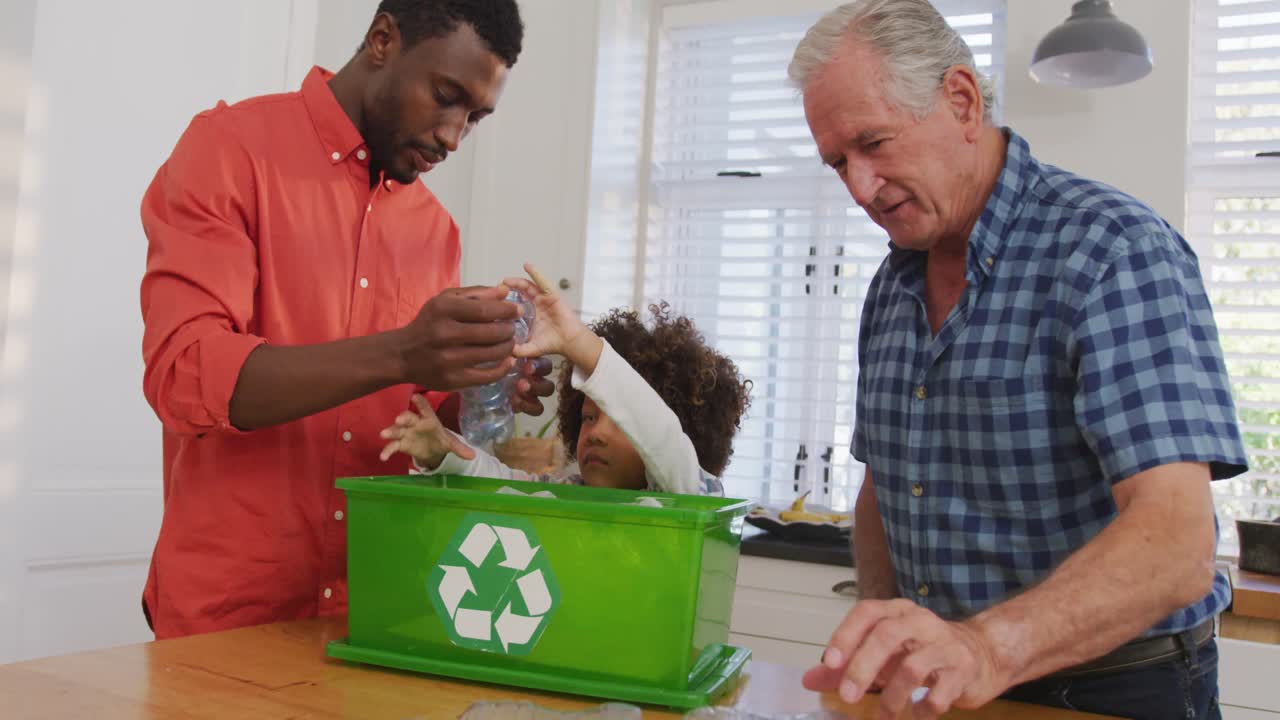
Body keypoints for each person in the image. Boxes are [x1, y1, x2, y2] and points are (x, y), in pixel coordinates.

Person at [786, 1, 1249, 718]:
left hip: (1117, 688)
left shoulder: (1113, 250)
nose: (860, 187)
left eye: (874, 143)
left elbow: (1177, 543)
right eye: (838, 162)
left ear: (962, 101)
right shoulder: (892, 284)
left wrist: (986, 648)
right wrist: (888, 631)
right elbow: (886, 485)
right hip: (953, 681)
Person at [138, 0, 554, 639]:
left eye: (474, 118)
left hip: (373, 613)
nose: (453, 137)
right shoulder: (231, 150)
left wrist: (477, 385)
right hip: (225, 617)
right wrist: (404, 352)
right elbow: (186, 374)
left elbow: (406, 418)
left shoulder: (436, 231)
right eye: (446, 97)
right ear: (383, 40)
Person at [379, 265, 752, 496]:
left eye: (620, 422)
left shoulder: (687, 492)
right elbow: (501, 483)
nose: (597, 434)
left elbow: (659, 431)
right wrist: (444, 451)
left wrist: (578, 343)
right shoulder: (569, 493)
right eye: (588, 418)